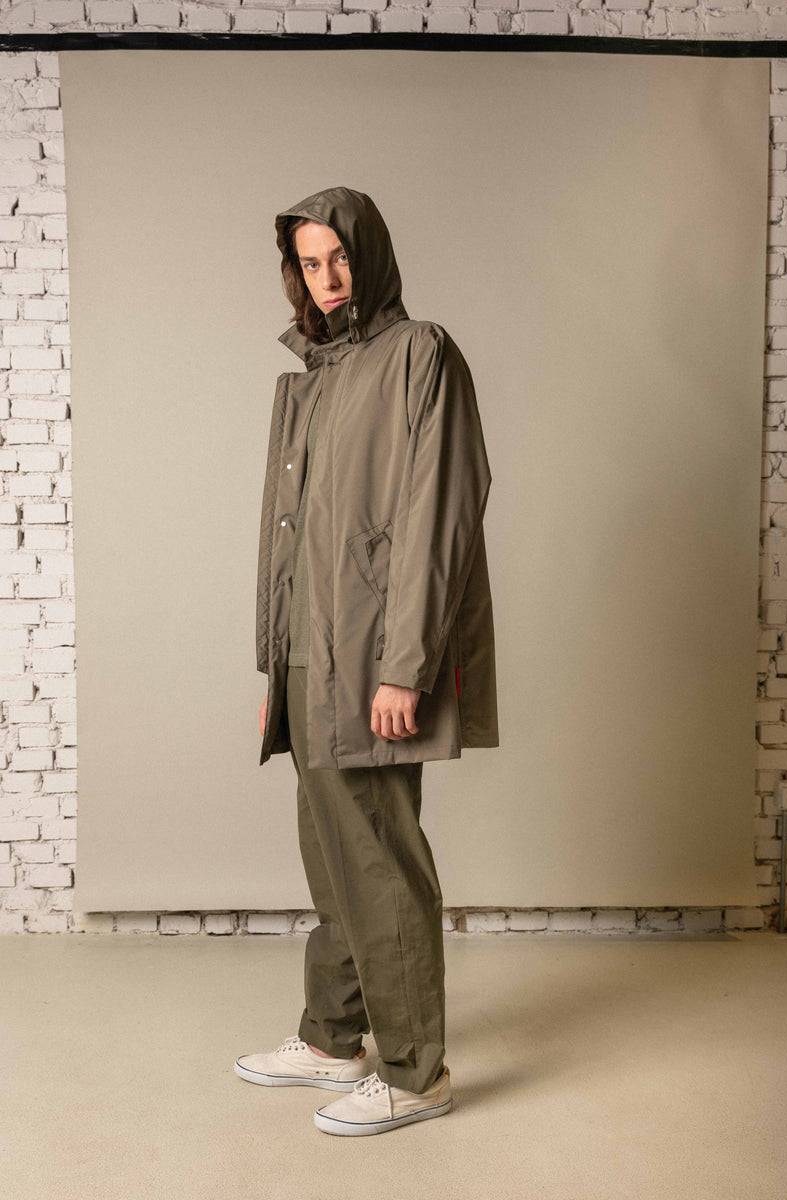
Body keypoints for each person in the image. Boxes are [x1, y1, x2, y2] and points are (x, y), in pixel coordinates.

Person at [237, 186, 499, 1136]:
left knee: (381, 859)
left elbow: (440, 516)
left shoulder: (420, 354)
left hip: (376, 655)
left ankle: (416, 1070)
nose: (328, 277)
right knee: (330, 852)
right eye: (310, 263)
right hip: (309, 654)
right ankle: (333, 1036)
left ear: (371, 253)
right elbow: (294, 535)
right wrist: (277, 664)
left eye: (340, 256)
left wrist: (406, 665)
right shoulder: (312, 374)